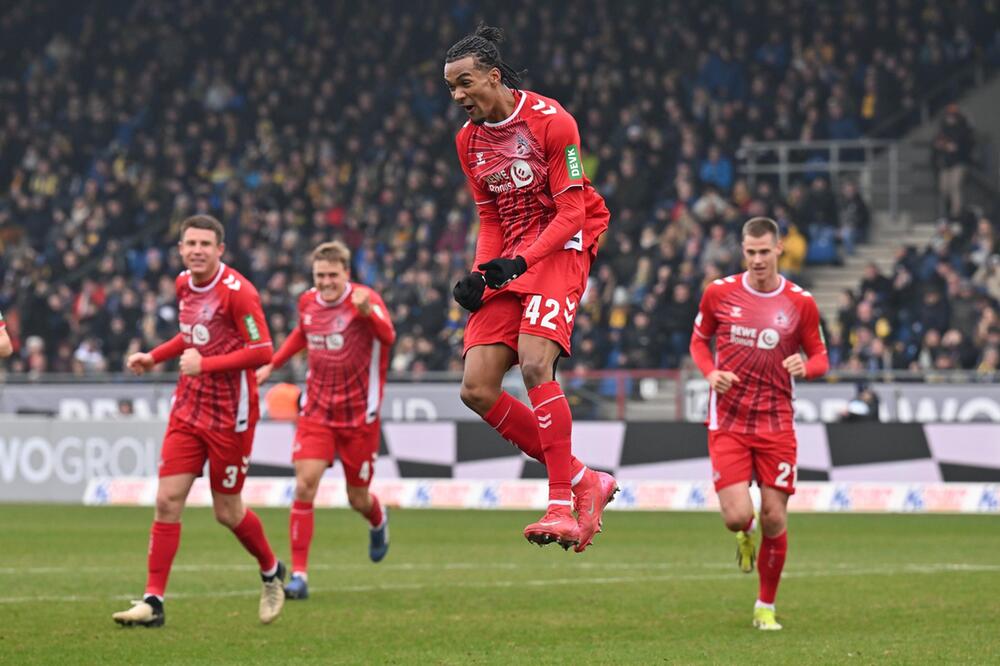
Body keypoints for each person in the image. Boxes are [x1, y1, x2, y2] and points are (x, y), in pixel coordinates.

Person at [444, 24, 617, 551]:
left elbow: (571, 211)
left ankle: (561, 503)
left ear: (493, 77)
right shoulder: (468, 140)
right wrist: (481, 271)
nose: (457, 96)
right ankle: (587, 478)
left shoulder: (552, 121)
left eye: (465, 83)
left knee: (536, 361)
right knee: (476, 387)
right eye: (450, 87)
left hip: (562, 245)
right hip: (513, 254)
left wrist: (519, 262)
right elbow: (489, 215)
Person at [113, 215, 285, 628]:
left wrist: (205, 365)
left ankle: (270, 569)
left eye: (205, 244)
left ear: (220, 249)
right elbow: (191, 337)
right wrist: (154, 356)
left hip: (231, 415)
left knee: (227, 512)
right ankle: (153, 602)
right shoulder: (183, 284)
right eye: (190, 243)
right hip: (188, 409)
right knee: (167, 500)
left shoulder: (239, 293)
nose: (197, 250)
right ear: (180, 249)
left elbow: (262, 350)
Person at [689, 217, 829, 630]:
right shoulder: (719, 293)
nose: (757, 260)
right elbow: (699, 341)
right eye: (750, 252)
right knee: (737, 517)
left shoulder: (800, 302)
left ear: (779, 249)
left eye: (764, 252)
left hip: (776, 421)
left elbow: (821, 356)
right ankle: (742, 534)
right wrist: (711, 373)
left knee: (774, 516)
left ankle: (764, 606)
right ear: (742, 251)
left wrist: (807, 366)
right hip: (729, 419)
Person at [256, 241, 395, 600]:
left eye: (333, 275)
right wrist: (273, 364)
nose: (326, 282)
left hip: (358, 417)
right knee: (305, 485)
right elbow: (302, 333)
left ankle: (378, 519)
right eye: (320, 275)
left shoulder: (366, 300)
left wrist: (369, 314)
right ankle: (299, 576)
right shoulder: (307, 302)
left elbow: (388, 336)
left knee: (357, 497)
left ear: (346, 273)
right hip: (316, 411)